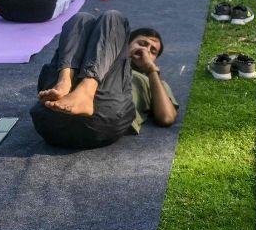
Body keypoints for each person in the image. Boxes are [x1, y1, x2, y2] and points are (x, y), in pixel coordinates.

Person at [30, 10, 177, 149]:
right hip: (50, 120)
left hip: (102, 120)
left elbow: (166, 117)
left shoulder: (154, 81)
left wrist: (151, 70)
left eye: (153, 51)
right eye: (142, 43)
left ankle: (86, 90)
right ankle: (65, 80)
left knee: (114, 18)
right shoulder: (92, 53)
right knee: (82, 19)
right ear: (124, 42)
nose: (145, 51)